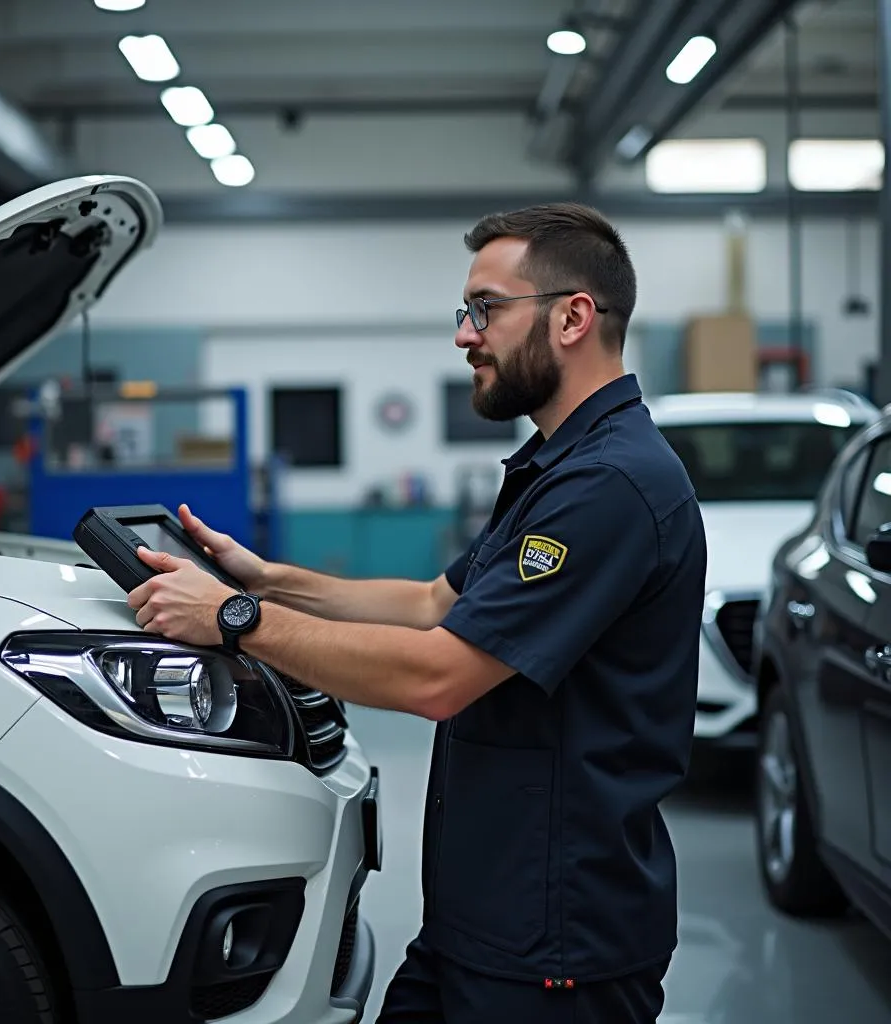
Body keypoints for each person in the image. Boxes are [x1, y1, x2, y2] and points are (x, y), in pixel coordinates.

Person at [127, 202, 707, 1023]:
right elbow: (434, 603)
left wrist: (233, 621)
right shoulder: (558, 465)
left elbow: (439, 677)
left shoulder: (609, 487)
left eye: (487, 310)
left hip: (556, 943)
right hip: (485, 920)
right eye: (465, 312)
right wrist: (266, 581)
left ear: (574, 316)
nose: (465, 335)